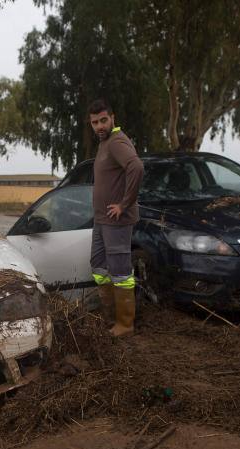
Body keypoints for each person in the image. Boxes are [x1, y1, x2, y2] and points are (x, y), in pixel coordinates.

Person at [88, 99, 144, 336]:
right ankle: (110, 319)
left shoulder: (117, 141)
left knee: (120, 272)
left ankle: (125, 324)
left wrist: (124, 204)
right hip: (102, 220)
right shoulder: (105, 143)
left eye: (103, 120)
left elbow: (136, 167)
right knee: (99, 266)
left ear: (112, 118)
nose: (99, 126)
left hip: (117, 220)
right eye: (94, 122)